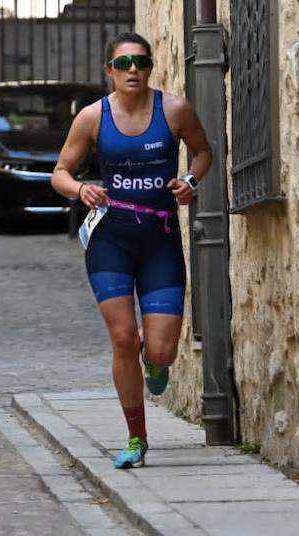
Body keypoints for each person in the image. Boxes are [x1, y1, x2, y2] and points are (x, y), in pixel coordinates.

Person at [51, 31, 213, 469]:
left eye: (140, 63)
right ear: (110, 71)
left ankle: (155, 364)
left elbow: (203, 153)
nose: (133, 71)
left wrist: (191, 183)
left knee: (160, 351)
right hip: (111, 241)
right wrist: (81, 188)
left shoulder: (174, 110)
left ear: (150, 67)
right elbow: (60, 173)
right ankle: (136, 438)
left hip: (159, 242)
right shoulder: (92, 118)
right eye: (123, 65)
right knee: (124, 338)